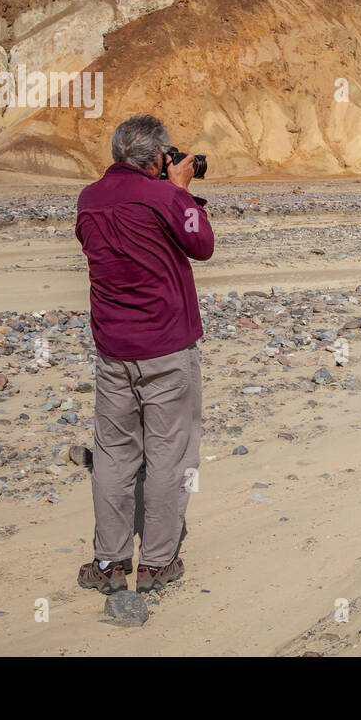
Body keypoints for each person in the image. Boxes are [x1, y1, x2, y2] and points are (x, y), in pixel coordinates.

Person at [73, 114, 214, 594]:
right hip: (167, 348)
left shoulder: (88, 199)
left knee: (113, 456)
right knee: (169, 454)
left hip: (113, 350)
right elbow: (202, 244)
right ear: (158, 157)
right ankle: (157, 562)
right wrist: (181, 190)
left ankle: (110, 562)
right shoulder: (164, 196)